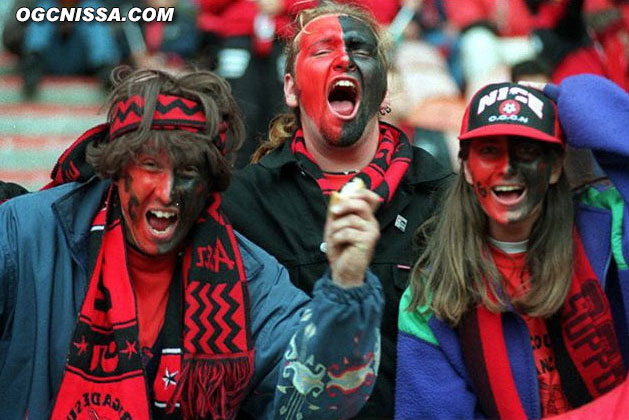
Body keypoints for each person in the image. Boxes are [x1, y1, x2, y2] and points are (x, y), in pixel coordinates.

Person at [0, 67, 385, 419]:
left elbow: (321, 403)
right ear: (118, 170)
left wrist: (347, 287)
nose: (167, 193)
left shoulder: (251, 281)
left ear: (208, 186)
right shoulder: (26, 234)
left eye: (186, 173)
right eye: (150, 166)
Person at [222, 2, 452, 418]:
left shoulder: (441, 195)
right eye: (323, 51)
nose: (344, 59)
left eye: (361, 51)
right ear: (290, 88)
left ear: (382, 88)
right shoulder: (243, 203)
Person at [396, 77, 629, 419]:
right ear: (467, 168)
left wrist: (564, 97)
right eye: (489, 151)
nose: (507, 168)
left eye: (526, 151)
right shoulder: (429, 297)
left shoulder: (609, 225)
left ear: (554, 167)